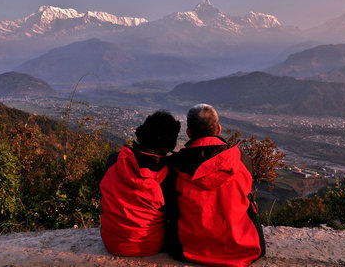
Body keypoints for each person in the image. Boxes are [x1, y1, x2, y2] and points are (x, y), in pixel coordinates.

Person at [168, 104, 265, 267]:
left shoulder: (177, 163)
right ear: (218, 129)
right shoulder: (240, 159)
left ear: (189, 133)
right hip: (243, 247)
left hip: (188, 248)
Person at [100, 110, 181, 257]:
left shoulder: (115, 161)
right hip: (149, 246)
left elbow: (104, 197)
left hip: (111, 242)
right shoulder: (168, 173)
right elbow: (173, 211)